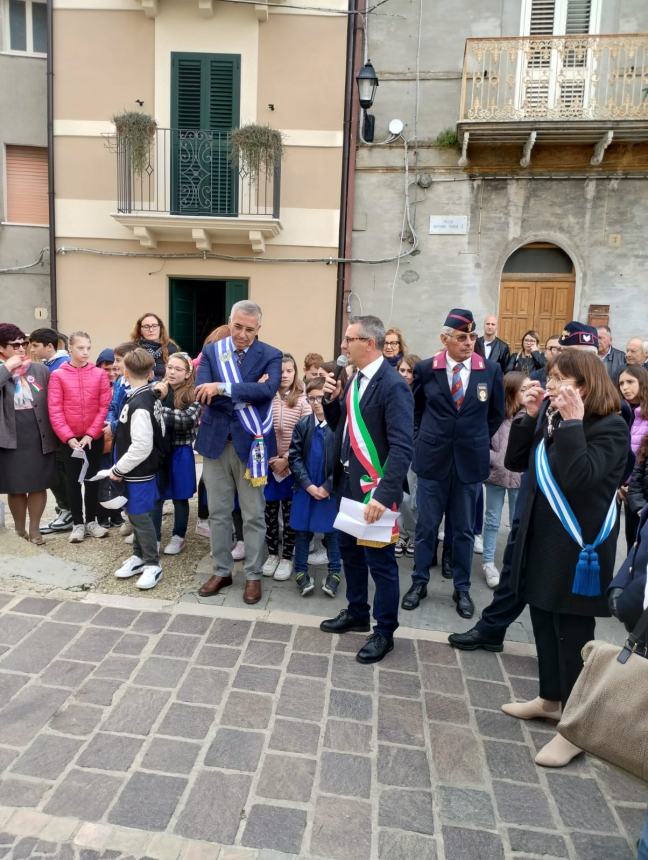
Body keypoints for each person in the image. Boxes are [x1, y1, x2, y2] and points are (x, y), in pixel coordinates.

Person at [501, 350, 628, 767]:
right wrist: (528, 416)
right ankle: (550, 698)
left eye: (558, 379)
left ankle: (575, 729)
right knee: (541, 617)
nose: (550, 385)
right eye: (550, 377)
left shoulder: (610, 427)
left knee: (572, 634)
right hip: (542, 543)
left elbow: (581, 478)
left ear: (584, 386)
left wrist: (572, 423)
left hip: (578, 551)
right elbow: (517, 462)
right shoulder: (552, 419)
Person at [319, 314, 413, 664]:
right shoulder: (356, 378)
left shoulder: (392, 385)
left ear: (368, 344)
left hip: (374, 489)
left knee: (380, 562)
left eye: (349, 340)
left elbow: (403, 447)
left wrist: (383, 495)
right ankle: (357, 611)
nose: (343, 346)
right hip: (348, 485)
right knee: (350, 552)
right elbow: (342, 427)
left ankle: (385, 631)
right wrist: (330, 401)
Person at [402, 309, 504, 619]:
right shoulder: (425, 369)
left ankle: (462, 588)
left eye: (473, 336)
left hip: (469, 464)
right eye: (462, 337)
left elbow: (495, 414)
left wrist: (473, 439)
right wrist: (422, 439)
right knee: (426, 527)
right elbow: (415, 409)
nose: (469, 342)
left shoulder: (490, 370)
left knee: (461, 531)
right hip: (433, 461)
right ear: (444, 339)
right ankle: (419, 582)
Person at [194, 300, 282, 605]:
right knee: (218, 512)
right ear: (229, 322)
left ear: (259, 328)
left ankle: (254, 575)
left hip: (252, 446)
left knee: (253, 513)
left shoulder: (271, 354)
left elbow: (268, 393)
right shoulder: (211, 351)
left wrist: (224, 388)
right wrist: (245, 390)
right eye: (237, 327)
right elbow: (202, 392)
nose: (242, 334)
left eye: (249, 329)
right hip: (216, 443)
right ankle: (222, 570)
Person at [47, 331, 112, 543]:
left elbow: (104, 407)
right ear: (70, 349)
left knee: (92, 479)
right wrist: (68, 437)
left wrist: (92, 434)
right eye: (80, 348)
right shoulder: (58, 375)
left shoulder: (99, 374)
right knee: (73, 482)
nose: (85, 352)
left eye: (88, 348)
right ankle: (77, 523)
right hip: (71, 440)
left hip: (93, 438)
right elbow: (54, 409)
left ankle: (92, 521)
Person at [110, 348, 167, 590]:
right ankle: (139, 556)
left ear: (125, 370)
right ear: (151, 372)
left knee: (141, 518)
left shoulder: (141, 402)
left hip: (138, 472)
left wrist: (118, 469)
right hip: (138, 472)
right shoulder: (144, 394)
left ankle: (153, 564)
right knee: (135, 515)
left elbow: (142, 445)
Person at [0, 324, 57, 543]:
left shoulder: (40, 369)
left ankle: (35, 529)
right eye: (15, 345)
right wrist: (7, 369)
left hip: (38, 433)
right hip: (11, 435)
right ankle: (19, 529)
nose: (22, 348)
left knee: (38, 484)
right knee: (16, 487)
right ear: (2, 348)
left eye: (24, 343)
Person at [288, 377, 341, 596]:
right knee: (302, 531)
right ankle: (300, 571)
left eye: (321, 398)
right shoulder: (303, 425)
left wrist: (328, 485)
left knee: (332, 532)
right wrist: (308, 485)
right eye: (312, 398)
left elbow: (342, 459)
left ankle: (335, 571)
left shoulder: (338, 426)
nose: (317, 402)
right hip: (306, 487)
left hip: (330, 489)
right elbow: (294, 457)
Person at [263, 353, 311, 580]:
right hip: (270, 464)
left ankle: (287, 557)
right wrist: (272, 458)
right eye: (280, 371)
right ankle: (272, 553)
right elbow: (259, 429)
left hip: (292, 465)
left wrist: (287, 460)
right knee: (270, 511)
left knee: (290, 513)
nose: (284, 375)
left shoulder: (303, 401)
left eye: (289, 371)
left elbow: (308, 436)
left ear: (295, 373)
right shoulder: (266, 397)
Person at [481, 372, 528, 588]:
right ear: (511, 391)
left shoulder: (530, 416)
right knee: (492, 519)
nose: (528, 394)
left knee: (517, 521)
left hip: (519, 476)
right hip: (496, 474)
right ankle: (488, 563)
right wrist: (496, 459)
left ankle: (512, 563)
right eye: (523, 390)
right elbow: (483, 440)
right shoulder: (496, 415)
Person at [152, 352, 200, 555]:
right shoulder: (157, 390)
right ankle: (153, 538)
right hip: (160, 451)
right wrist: (156, 398)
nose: (171, 372)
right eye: (169, 367)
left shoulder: (194, 394)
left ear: (188, 373)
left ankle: (178, 536)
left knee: (180, 497)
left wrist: (157, 409)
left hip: (180, 450)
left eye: (178, 369)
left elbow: (186, 420)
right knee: (156, 496)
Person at [29, 328, 73, 535]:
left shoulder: (61, 366)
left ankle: (68, 512)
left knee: (60, 472)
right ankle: (65, 510)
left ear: (49, 346)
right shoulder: (48, 365)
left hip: (60, 430)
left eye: (36, 345)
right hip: (52, 429)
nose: (31, 349)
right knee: (56, 470)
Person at [618, 365, 648, 549]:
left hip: (642, 490)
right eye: (621, 383)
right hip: (624, 489)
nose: (625, 387)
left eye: (630, 382)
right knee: (632, 543)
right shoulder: (621, 412)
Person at [395, 353, 422, 558]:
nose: (405, 374)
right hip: (395, 450)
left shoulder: (422, 395)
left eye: (409, 371)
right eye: (401, 370)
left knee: (412, 497)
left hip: (414, 450)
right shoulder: (394, 391)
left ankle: (413, 534)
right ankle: (402, 533)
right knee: (399, 496)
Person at [130, 312, 179, 380]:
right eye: (146, 326)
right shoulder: (133, 348)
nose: (151, 330)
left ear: (160, 328)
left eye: (154, 326)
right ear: (140, 330)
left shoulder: (171, 347)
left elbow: (176, 371)